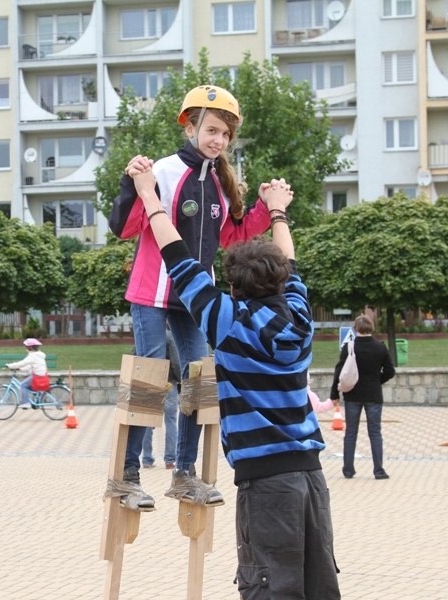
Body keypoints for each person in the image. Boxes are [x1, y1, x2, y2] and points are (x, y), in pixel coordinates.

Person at [128, 164, 340, 599]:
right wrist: (277, 210)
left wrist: (150, 195)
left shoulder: (229, 322)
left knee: (270, 587)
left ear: (233, 288)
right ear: (282, 279)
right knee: (319, 586)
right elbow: (290, 261)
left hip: (266, 484)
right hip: (310, 478)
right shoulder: (299, 317)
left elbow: (179, 261)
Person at [108, 85, 271, 508]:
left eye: (225, 135)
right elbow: (124, 227)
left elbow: (230, 236)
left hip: (194, 297)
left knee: (200, 381)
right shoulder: (163, 170)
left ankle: (184, 474)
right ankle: (126, 476)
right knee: (150, 378)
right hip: (153, 292)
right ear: (191, 126)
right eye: (211, 130)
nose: (217, 140)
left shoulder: (217, 183)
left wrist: (265, 208)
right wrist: (131, 183)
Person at [329, 315, 396, 480]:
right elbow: (390, 371)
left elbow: (339, 371)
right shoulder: (380, 347)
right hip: (373, 394)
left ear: (356, 328)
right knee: (375, 432)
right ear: (371, 328)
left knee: (351, 432)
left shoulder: (349, 346)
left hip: (352, 394)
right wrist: (377, 381)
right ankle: (379, 470)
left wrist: (334, 393)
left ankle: (348, 469)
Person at [141, 329, 180, 469]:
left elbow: (135, 354)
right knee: (171, 421)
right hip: (169, 382)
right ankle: (170, 459)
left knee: (147, 422)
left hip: (149, 382)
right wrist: (180, 379)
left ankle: (146, 458)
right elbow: (175, 361)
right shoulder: (169, 336)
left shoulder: (144, 334)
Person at [5, 338, 49, 409]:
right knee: (29, 387)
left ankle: (26, 403)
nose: (25, 348)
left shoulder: (32, 356)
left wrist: (10, 366)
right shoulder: (39, 355)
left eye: (26, 346)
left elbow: (22, 363)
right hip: (42, 375)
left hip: (37, 376)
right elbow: (29, 367)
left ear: (30, 347)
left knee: (22, 385)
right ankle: (39, 396)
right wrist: (20, 369)